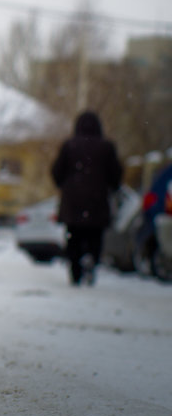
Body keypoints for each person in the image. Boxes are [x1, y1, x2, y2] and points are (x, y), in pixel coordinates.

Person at [50, 111, 122, 286]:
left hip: (73, 203)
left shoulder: (69, 145)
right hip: (97, 202)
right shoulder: (106, 147)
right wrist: (110, 186)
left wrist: (65, 185)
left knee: (74, 236)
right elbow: (116, 174)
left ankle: (75, 270)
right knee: (94, 235)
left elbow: (56, 171)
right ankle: (91, 259)